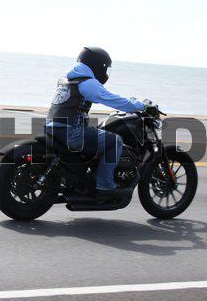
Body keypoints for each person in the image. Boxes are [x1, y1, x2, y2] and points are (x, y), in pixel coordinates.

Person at [45, 47, 149, 200]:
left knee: (95, 133)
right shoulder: (88, 83)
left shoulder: (66, 80)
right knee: (115, 141)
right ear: (97, 65)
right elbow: (113, 100)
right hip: (71, 133)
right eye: (105, 68)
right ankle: (105, 186)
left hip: (51, 127)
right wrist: (141, 106)